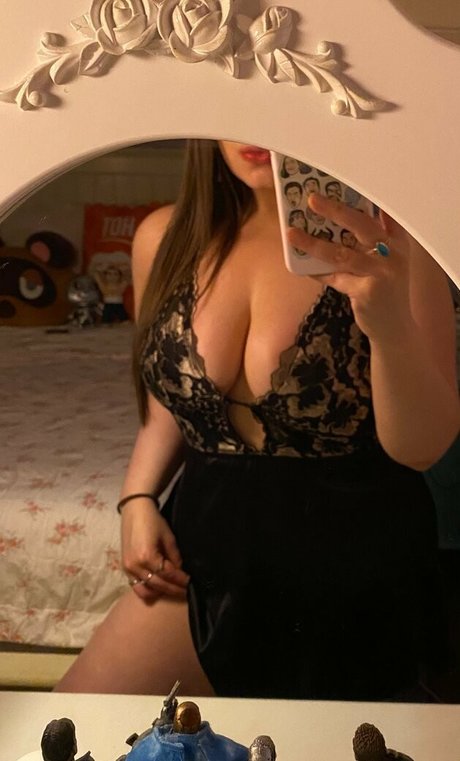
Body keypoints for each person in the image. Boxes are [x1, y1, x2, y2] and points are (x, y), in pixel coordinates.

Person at [55, 140, 460, 701]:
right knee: (71, 730)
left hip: (353, 572)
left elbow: (422, 448)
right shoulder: (164, 237)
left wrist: (389, 328)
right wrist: (138, 496)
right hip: (202, 556)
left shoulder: (392, 243)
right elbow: (173, 398)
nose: (255, 134)